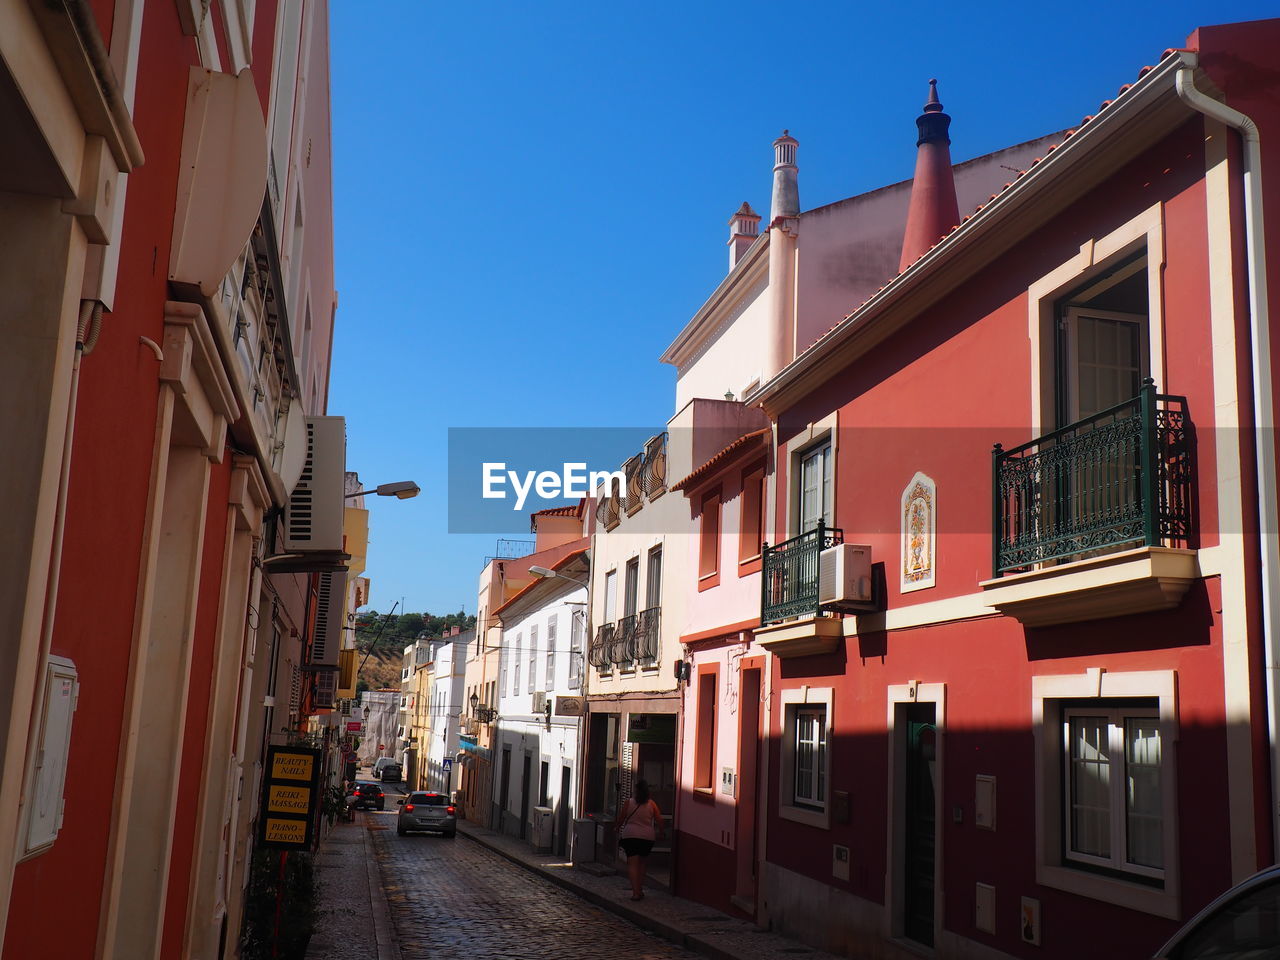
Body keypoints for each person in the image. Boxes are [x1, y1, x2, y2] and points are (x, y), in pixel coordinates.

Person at [615, 779, 663, 901]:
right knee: (642, 864)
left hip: (630, 836)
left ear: (636, 791)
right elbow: (659, 820)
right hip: (647, 837)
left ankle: (635, 892)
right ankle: (640, 889)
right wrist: (661, 832)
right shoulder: (652, 804)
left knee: (632, 864)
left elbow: (621, 818)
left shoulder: (628, 803)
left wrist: (616, 828)